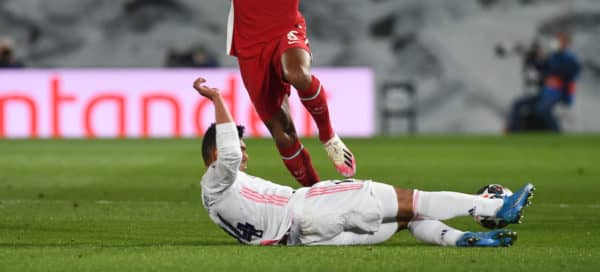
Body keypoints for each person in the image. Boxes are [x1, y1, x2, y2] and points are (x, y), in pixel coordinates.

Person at [176, 0, 415, 186]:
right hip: (251, 48)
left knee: (297, 72)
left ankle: (329, 137)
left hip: (288, 33)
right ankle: (316, 193)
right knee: (283, 132)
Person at [194, 76, 535, 247]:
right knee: (413, 199)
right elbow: (230, 153)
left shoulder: (216, 197)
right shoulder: (216, 177)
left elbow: (232, 156)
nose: (245, 155)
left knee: (407, 218)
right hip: (305, 209)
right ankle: (493, 208)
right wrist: (217, 97)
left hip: (303, 240)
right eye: (239, 145)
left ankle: (462, 240)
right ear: (213, 154)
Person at [506, 31, 581, 132]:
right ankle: (513, 135)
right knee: (518, 104)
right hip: (545, 94)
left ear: (566, 43)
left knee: (542, 110)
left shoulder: (571, 59)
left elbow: (561, 71)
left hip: (559, 94)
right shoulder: (552, 57)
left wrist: (545, 58)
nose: (556, 43)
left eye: (560, 41)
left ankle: (556, 134)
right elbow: (541, 68)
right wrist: (531, 58)